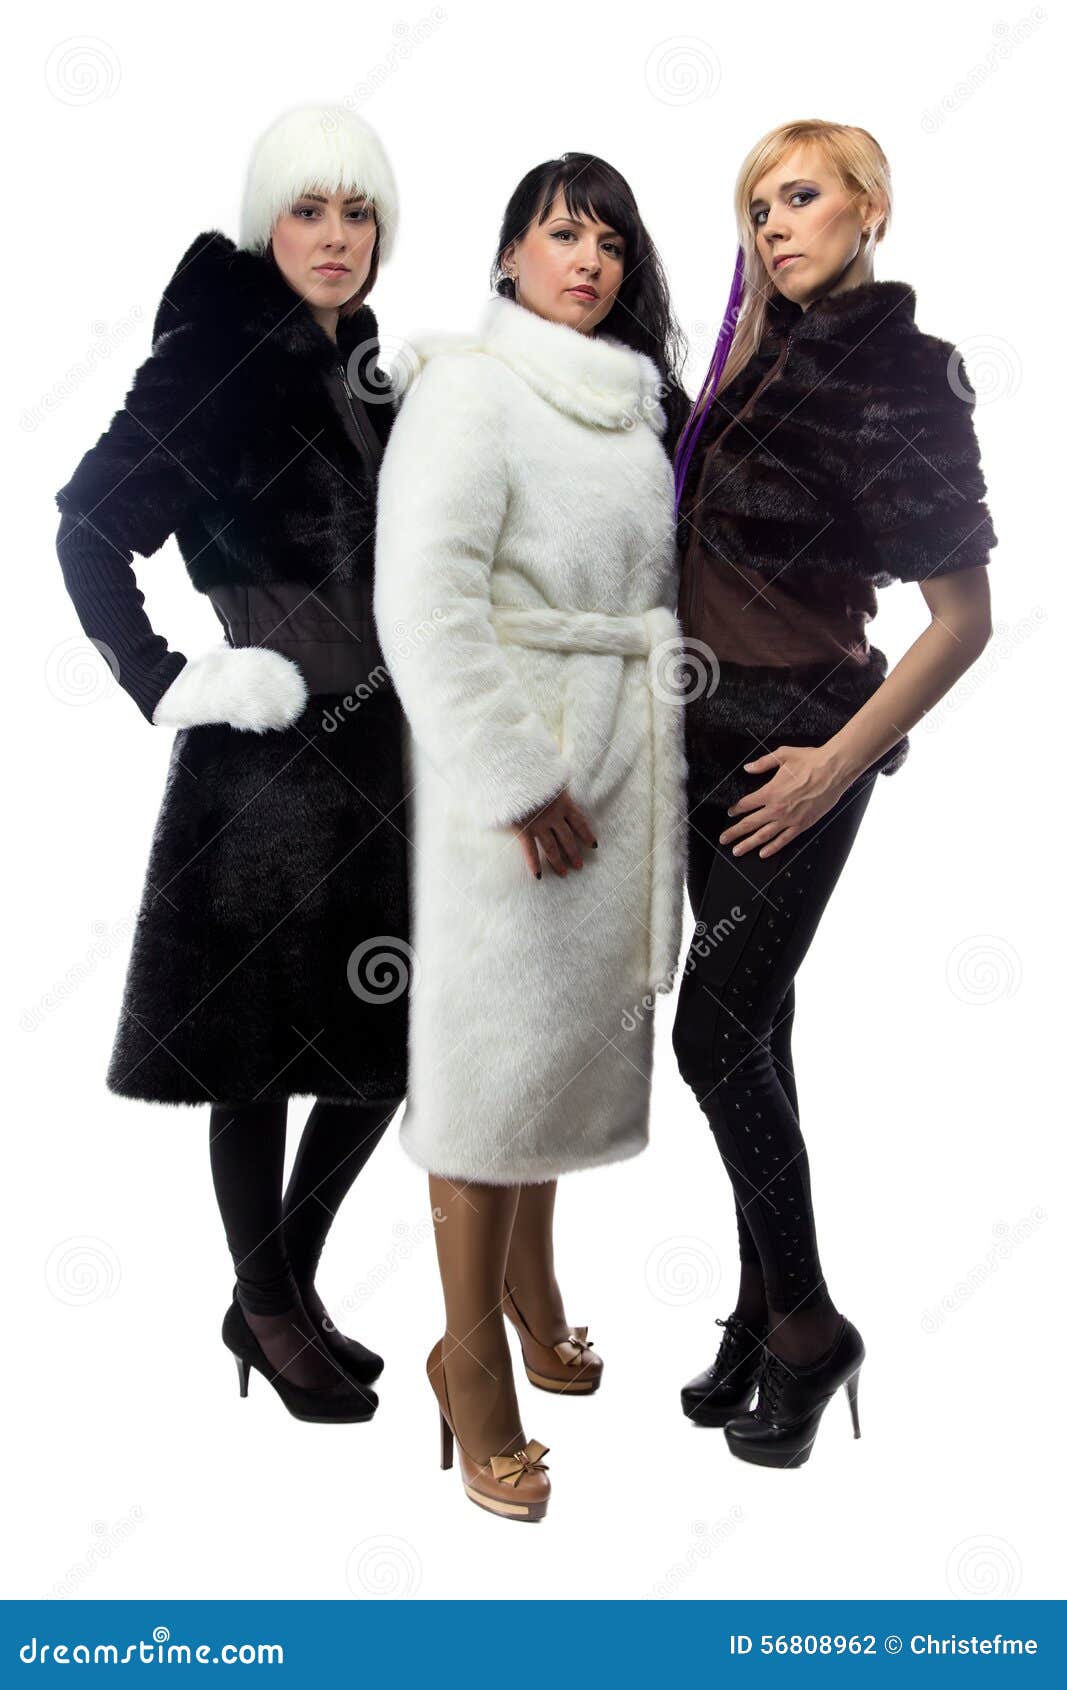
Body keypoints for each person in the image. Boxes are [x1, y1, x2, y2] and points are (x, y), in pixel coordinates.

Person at [53, 105, 410, 1422]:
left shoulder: (366, 360)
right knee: (258, 1054)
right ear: (268, 222)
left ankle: (280, 1283)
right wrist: (171, 681)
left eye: (358, 212)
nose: (335, 237)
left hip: (382, 753)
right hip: (264, 763)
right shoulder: (216, 355)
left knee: (386, 1044)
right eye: (309, 210)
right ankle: (266, 1307)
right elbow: (89, 527)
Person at [671, 119, 996, 1467]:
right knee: (759, 1030)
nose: (774, 225)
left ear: (871, 208)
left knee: (711, 1031)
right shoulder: (761, 355)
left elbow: (963, 619)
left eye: (800, 197)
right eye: (757, 207)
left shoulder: (906, 378)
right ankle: (760, 1308)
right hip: (706, 727)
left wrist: (831, 766)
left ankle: (809, 1330)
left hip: (798, 744)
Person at [374, 154, 689, 1519]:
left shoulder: (629, 413)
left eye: (612, 240)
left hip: (620, 762)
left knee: (562, 1041)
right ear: (509, 255)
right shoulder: (471, 387)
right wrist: (514, 775)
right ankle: (467, 1359)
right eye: (564, 233)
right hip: (512, 787)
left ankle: (531, 1284)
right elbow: (425, 600)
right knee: (488, 1060)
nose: (592, 260)